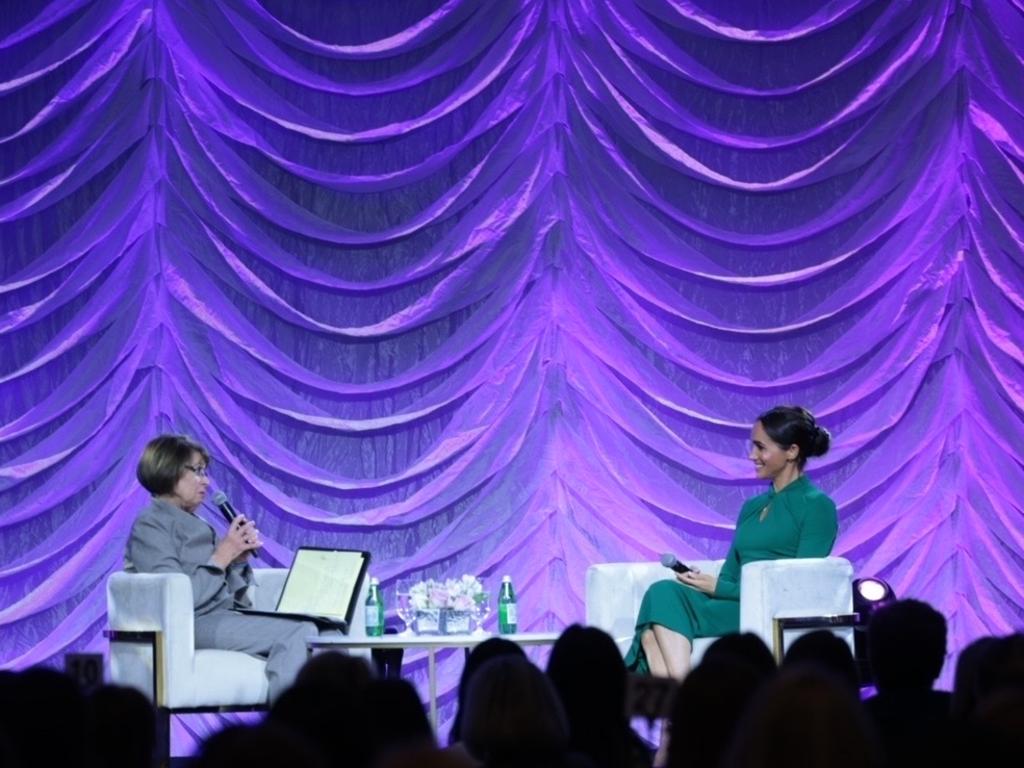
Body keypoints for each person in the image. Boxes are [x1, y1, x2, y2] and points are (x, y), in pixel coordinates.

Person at [625, 405, 837, 678]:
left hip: (765, 612)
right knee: (662, 594)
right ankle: (681, 707)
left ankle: (681, 710)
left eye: (761, 447)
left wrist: (721, 589)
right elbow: (730, 574)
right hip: (732, 601)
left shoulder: (817, 506)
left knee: (654, 632)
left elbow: (800, 588)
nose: (752, 456)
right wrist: (709, 584)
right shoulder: (751, 507)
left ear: (792, 451)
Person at [126, 434, 319, 702]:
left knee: (321, 629)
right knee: (299, 631)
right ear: (167, 470)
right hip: (188, 624)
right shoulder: (151, 525)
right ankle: (288, 731)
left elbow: (231, 592)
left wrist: (238, 560)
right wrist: (223, 553)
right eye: (197, 471)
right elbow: (173, 599)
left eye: (205, 472)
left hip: (222, 616)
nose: (205, 481)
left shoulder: (195, 522)